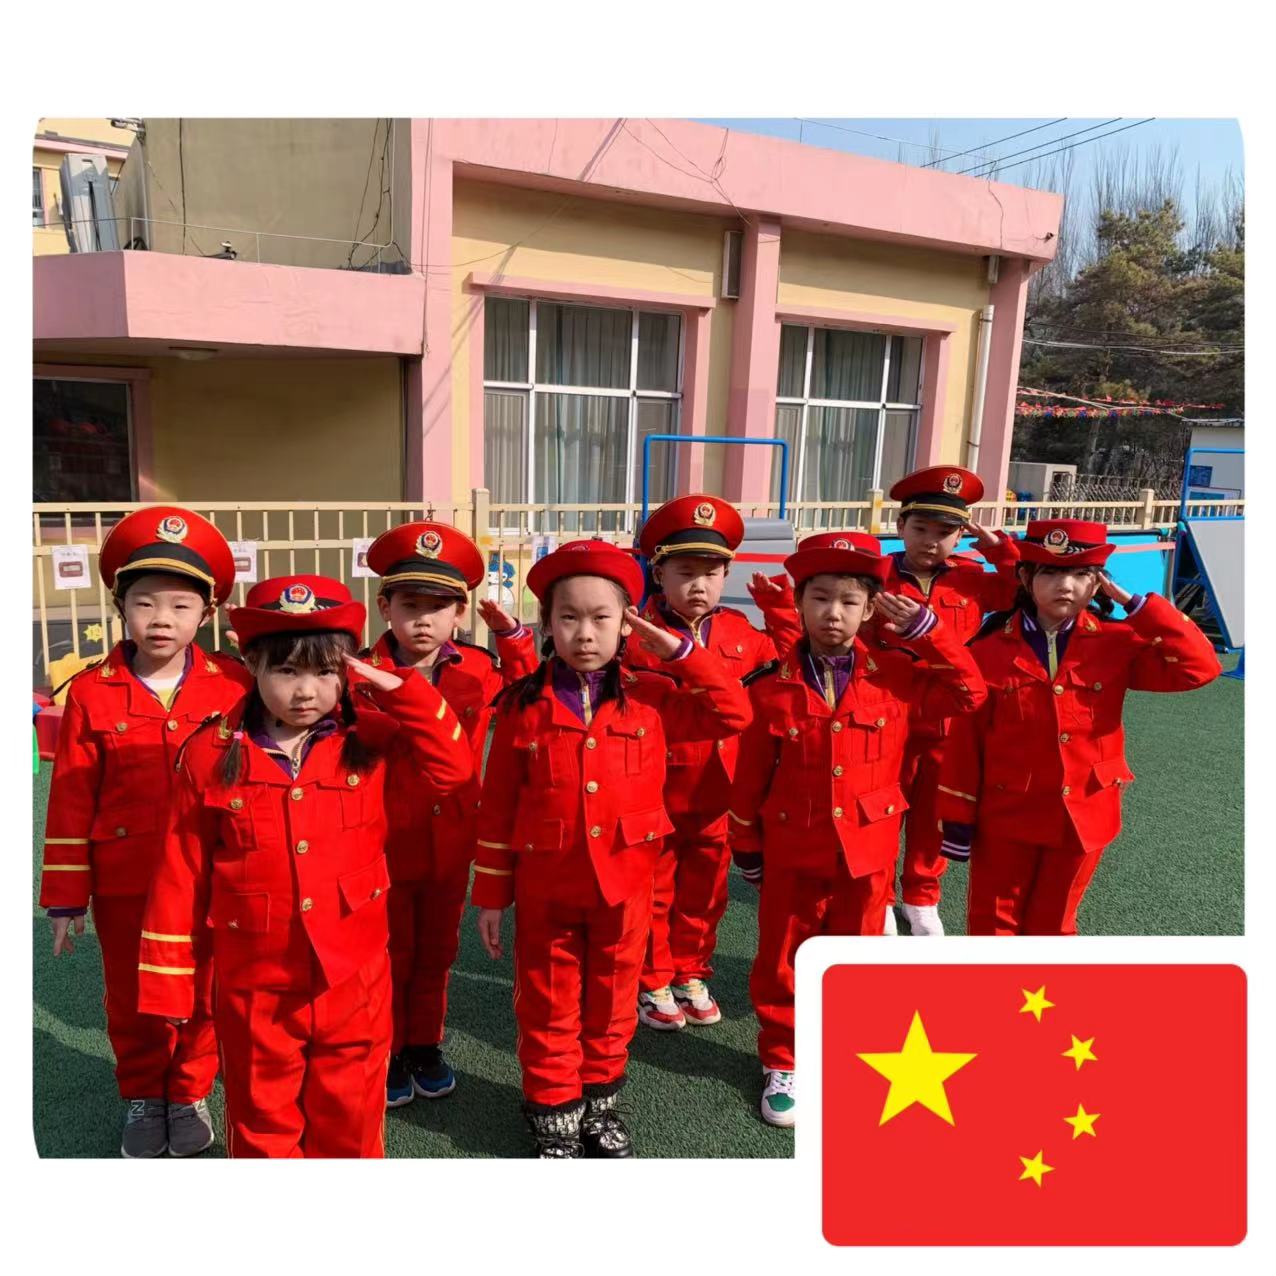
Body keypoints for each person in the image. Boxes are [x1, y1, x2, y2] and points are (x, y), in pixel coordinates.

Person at [136, 575, 473, 1157]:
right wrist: (170, 984)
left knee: (351, 1121)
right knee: (263, 1125)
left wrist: (400, 690)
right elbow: (180, 872)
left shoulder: (372, 739)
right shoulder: (209, 753)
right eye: (286, 671)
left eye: (323, 672)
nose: (304, 691)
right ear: (252, 666)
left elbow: (454, 769)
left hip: (354, 978)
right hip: (256, 985)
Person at [471, 539, 751, 1158]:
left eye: (602, 617)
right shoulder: (522, 707)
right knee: (548, 1002)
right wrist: (491, 893)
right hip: (547, 887)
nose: (584, 633)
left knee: (614, 1001)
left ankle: (599, 1101)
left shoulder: (653, 696)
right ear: (547, 624)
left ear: (627, 624)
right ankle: (553, 1107)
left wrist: (678, 650)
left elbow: (733, 712)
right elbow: (498, 805)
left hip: (626, 887)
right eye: (568, 617)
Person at [727, 533, 987, 1128]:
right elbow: (749, 779)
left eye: (849, 601)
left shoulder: (898, 676)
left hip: (867, 854)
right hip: (793, 848)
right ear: (799, 603)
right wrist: (747, 846)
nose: (833, 614)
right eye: (819, 598)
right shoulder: (770, 686)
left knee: (857, 957)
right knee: (783, 960)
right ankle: (784, 1059)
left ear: (870, 609)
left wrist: (927, 632)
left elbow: (970, 693)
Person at [39, 506, 249, 1158]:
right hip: (125, 881)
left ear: (206, 615)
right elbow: (71, 797)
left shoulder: (236, 685)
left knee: (204, 989)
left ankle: (187, 1090)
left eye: (181, 606)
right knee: (132, 997)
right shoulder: (91, 693)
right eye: (145, 603)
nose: (162, 619)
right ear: (120, 608)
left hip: (212, 879)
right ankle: (142, 1091)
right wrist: (65, 898)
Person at [936, 519, 1221, 935]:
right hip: (1007, 814)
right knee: (993, 924)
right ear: (1026, 578)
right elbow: (966, 740)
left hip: (1084, 814)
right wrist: (958, 814)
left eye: (1081, 574)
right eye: (1050, 573)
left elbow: (1200, 668)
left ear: (1098, 582)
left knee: (1056, 925)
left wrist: (1135, 604)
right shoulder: (987, 650)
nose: (1065, 586)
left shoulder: (1116, 643)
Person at [363, 521, 536, 1107]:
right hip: (382, 840)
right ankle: (387, 1048)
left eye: (438, 607)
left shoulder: (478, 669)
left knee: (437, 952)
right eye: (409, 605)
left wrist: (513, 637)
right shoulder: (357, 672)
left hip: (452, 838)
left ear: (460, 613)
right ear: (385, 607)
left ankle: (424, 1044)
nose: (423, 620)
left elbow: (529, 694)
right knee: (389, 952)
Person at [628, 494, 801, 1031]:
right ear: (659, 573)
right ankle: (653, 978)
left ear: (727, 573)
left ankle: (690, 970)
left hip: (722, 790)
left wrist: (781, 613)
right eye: (684, 573)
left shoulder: (742, 634)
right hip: (653, 790)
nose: (698, 585)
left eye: (710, 572)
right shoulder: (632, 634)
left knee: (705, 892)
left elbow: (795, 670)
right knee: (655, 890)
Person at [879, 466, 1020, 936]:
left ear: (961, 536)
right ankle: (879, 898)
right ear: (900, 525)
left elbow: (1023, 590)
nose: (930, 542)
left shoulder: (971, 578)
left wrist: (999, 551)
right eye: (920, 528)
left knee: (935, 816)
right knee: (881, 811)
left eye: (944, 533)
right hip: (888, 719)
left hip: (953, 721)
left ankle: (921, 897)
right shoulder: (874, 578)